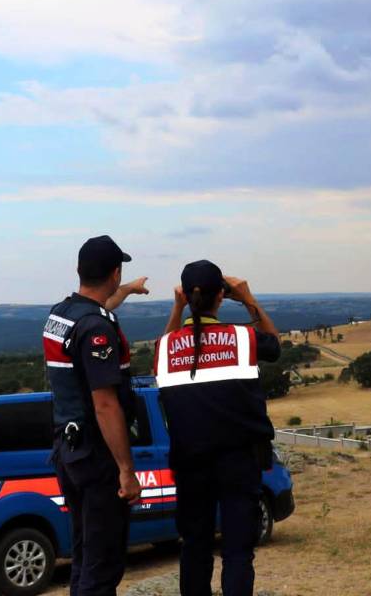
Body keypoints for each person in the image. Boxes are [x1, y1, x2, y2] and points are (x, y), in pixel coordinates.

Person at [155, 259, 281, 596]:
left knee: (195, 548)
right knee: (238, 552)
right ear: (221, 298)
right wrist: (249, 298)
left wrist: (177, 309)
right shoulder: (243, 338)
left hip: (190, 464)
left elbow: (164, 347)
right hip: (240, 462)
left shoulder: (166, 347)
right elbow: (274, 342)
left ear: (186, 296)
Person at [42, 235, 149, 596]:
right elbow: (105, 404)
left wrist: (128, 291)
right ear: (114, 273)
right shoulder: (97, 330)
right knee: (103, 564)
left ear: (79, 270)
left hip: (67, 449)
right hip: (97, 455)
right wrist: (126, 470)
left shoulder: (62, 314)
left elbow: (98, 309)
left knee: (86, 554)